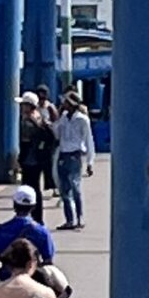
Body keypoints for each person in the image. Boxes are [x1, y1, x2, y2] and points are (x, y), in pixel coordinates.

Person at [52, 93, 95, 229]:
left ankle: (79, 217)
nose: (64, 105)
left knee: (75, 187)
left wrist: (90, 161)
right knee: (64, 189)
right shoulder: (63, 119)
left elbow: (89, 140)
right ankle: (69, 219)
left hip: (75, 155)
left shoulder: (82, 120)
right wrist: (58, 119)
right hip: (63, 154)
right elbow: (56, 134)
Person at [0, 187, 58, 266]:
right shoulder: (42, 231)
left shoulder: (0, 230)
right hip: (32, 275)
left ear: (14, 204)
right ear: (34, 206)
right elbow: (48, 259)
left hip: (6, 275)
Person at [17, 95, 58, 203]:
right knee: (35, 187)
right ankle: (37, 215)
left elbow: (26, 139)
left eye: (23, 104)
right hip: (38, 157)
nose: (21, 107)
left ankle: (31, 212)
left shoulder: (28, 121)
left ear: (29, 106)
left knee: (29, 186)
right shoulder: (38, 117)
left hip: (30, 157)